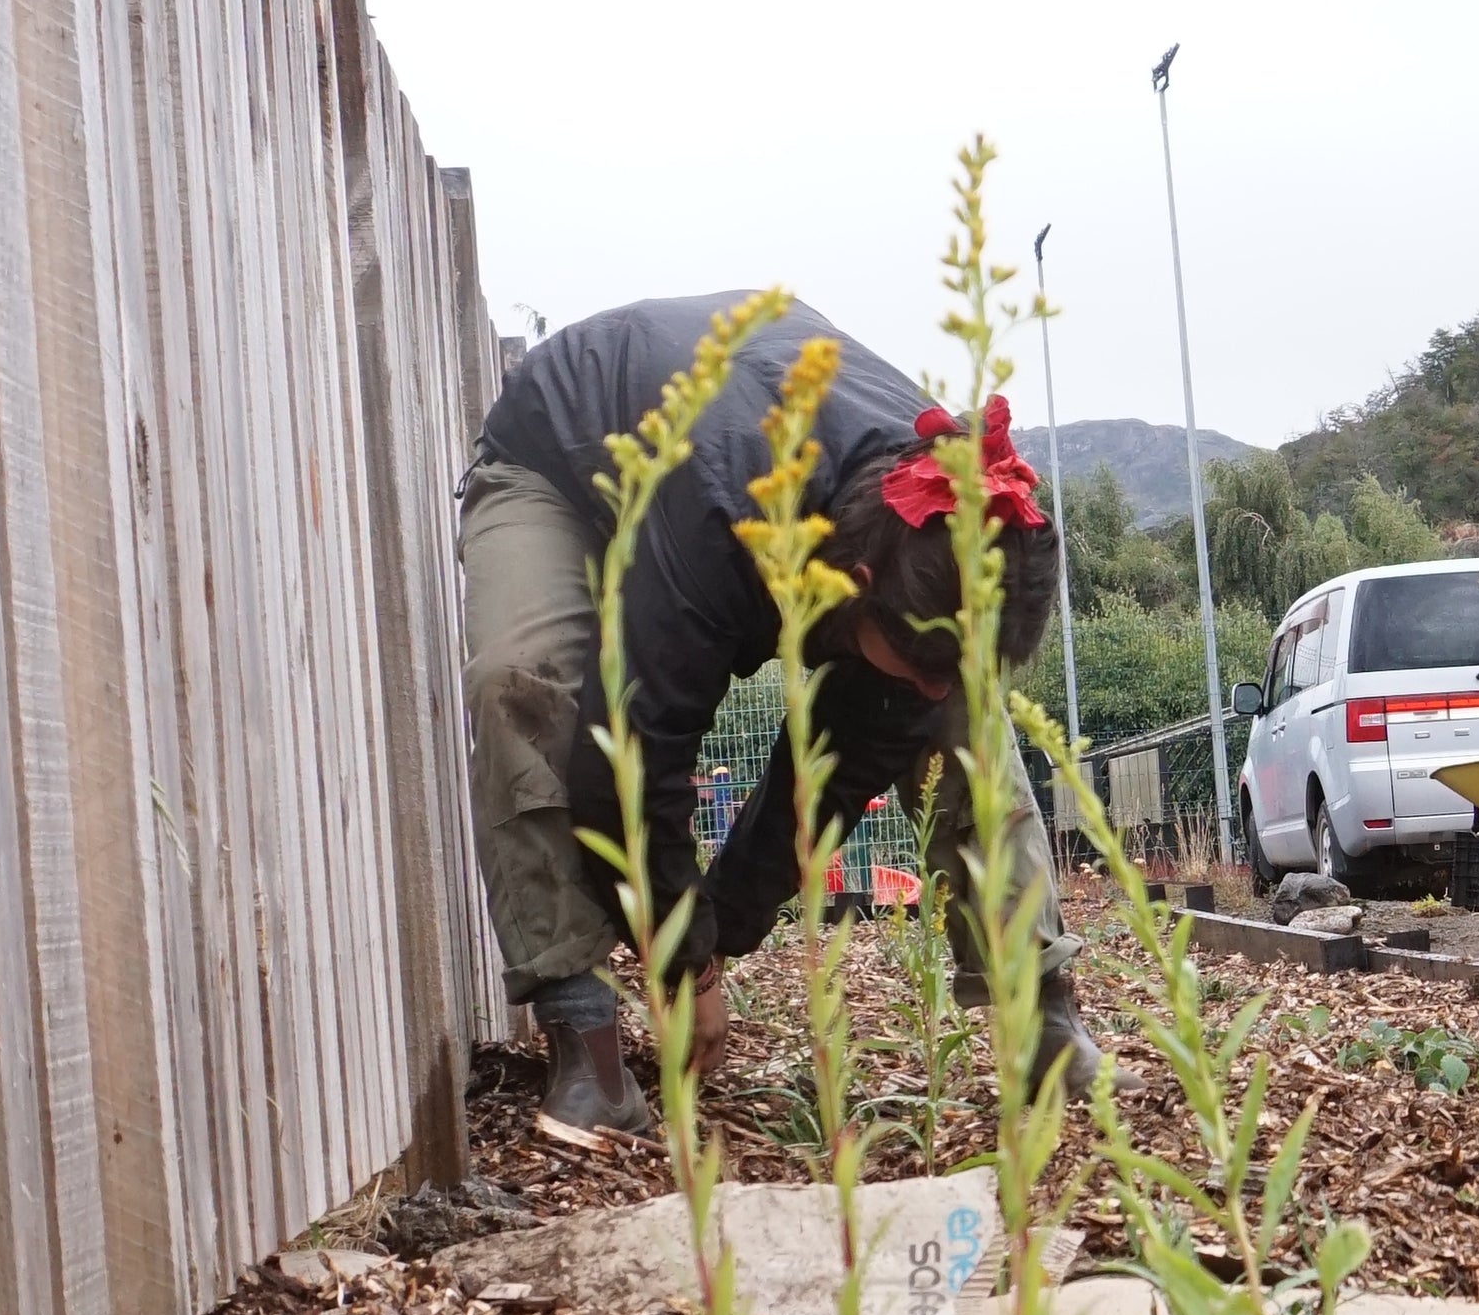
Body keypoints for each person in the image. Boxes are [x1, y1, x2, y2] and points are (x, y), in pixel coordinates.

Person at [459, 296, 1087, 1138]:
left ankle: (1041, 1015)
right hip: (565, 459)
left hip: (760, 480)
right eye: (925, 660)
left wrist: (722, 929)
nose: (936, 683)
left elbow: (828, 781)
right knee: (520, 684)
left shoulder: (929, 534)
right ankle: (588, 1048)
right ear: (858, 588)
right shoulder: (725, 514)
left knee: (958, 729)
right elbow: (632, 764)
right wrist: (687, 972)